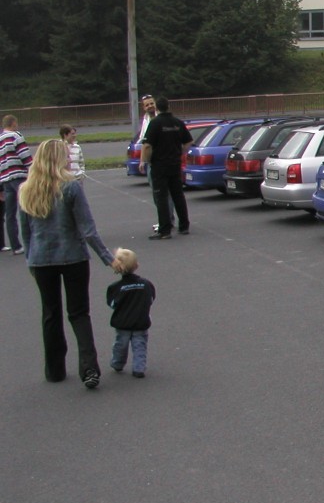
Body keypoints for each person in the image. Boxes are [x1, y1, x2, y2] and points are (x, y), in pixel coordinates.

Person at [17, 139, 116, 388]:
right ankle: (89, 368)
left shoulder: (26, 189)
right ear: (59, 158)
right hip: (73, 256)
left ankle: (54, 370)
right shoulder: (70, 187)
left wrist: (30, 259)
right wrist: (108, 258)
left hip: (41, 259)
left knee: (50, 313)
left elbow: (25, 232)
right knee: (79, 313)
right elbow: (88, 229)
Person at [141, 96, 193, 240]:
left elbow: (147, 145)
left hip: (159, 165)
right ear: (169, 106)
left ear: (157, 108)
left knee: (161, 197)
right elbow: (189, 141)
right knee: (178, 195)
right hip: (175, 164)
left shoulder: (155, 123)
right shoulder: (177, 123)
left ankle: (165, 230)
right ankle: (184, 225)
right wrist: (180, 153)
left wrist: (148, 160)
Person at [106, 248, 156, 379]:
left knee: (120, 345)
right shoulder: (146, 284)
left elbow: (112, 304)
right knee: (140, 345)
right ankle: (139, 368)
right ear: (136, 265)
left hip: (122, 322)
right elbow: (151, 299)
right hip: (141, 321)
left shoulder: (115, 287)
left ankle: (117, 363)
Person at [1, 114, 33, 255]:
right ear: (14, 123)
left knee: (10, 214)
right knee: (25, 210)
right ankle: (29, 242)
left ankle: (16, 246)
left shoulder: (0, 138)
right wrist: (33, 170)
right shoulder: (15, 136)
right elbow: (25, 156)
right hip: (19, 176)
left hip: (5, 178)